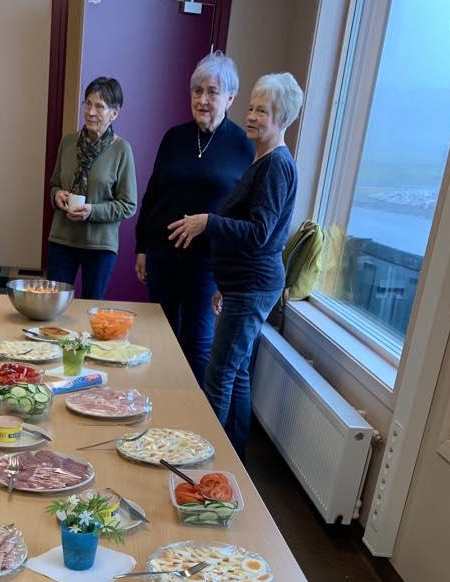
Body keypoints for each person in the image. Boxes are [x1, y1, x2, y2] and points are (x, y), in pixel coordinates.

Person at [168, 72, 303, 458]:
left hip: (254, 284)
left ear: (283, 118)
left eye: (263, 111)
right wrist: (226, 283)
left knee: (219, 375)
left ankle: (201, 462)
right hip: (244, 284)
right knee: (238, 372)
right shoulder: (264, 159)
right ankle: (234, 455)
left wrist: (207, 222)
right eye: (252, 108)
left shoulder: (276, 166)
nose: (252, 116)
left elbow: (260, 233)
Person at [135, 51, 253, 385]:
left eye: (212, 92)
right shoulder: (173, 138)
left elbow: (246, 215)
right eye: (197, 91)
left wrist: (232, 273)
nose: (202, 100)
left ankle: (193, 411)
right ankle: (159, 401)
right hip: (163, 256)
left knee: (197, 345)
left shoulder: (244, 146)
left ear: (230, 98)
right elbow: (153, 195)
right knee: (158, 337)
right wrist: (141, 247)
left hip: (208, 263)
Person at [47, 77, 136, 299]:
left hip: (100, 246)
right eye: (87, 104)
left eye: (99, 106)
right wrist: (56, 195)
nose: (90, 112)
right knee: (54, 305)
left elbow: (128, 205)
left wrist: (92, 211)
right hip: (62, 239)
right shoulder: (68, 142)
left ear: (114, 113)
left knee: (91, 309)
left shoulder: (122, 150)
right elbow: (54, 185)